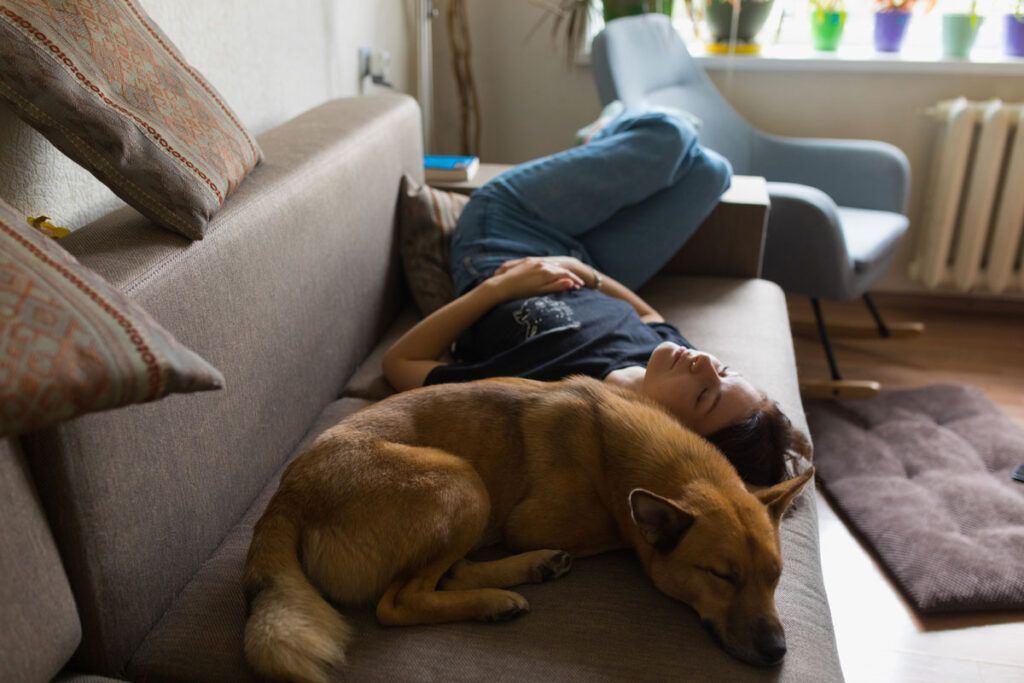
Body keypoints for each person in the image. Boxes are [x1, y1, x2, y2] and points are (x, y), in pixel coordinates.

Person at [383, 110, 808, 486]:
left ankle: (605, 132)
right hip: (587, 263)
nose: (703, 365)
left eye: (704, 394)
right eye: (725, 370)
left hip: (505, 234)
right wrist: (586, 272)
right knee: (713, 171)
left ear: (671, 434)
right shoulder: (674, 364)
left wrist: (500, 288)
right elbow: (649, 315)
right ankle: (608, 149)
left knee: (672, 137)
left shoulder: (549, 395)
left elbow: (399, 364)